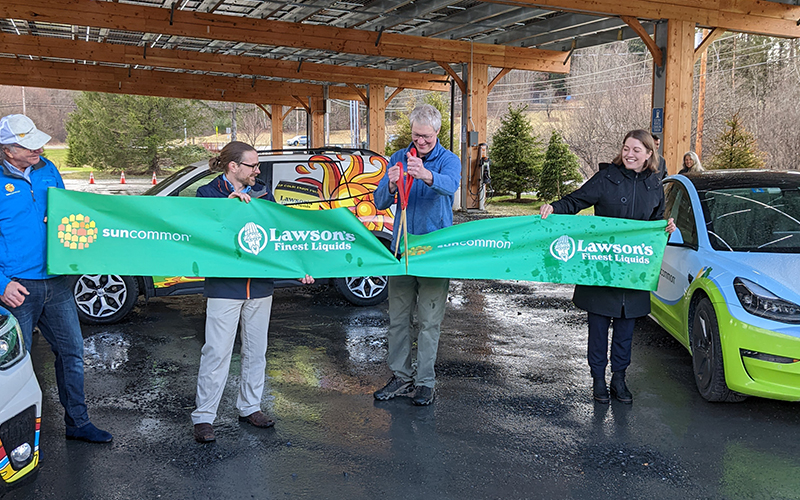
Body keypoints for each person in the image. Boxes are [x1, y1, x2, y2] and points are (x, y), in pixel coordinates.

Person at [540, 130, 676, 404]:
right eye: (626, 148)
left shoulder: (654, 184)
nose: (629, 154)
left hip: (633, 271)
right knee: (599, 328)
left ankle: (619, 379)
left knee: (626, 331)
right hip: (601, 268)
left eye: (636, 150)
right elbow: (576, 200)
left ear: (649, 154)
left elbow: (656, 221)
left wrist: (667, 228)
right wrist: (554, 208)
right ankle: (598, 379)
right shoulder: (607, 178)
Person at [191, 141, 314, 443]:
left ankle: (250, 407)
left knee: (256, 352)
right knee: (216, 353)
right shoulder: (207, 194)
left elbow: (279, 237)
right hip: (225, 288)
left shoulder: (263, 194)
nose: (258, 171)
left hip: (260, 287)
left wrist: (298, 268)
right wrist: (226, 210)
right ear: (233, 166)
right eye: (253, 166)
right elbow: (201, 234)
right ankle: (204, 417)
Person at [0, 114, 112, 443]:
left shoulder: (48, 169)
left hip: (57, 282)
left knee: (72, 353)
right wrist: (2, 284)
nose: (40, 148)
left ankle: (77, 423)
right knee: (14, 364)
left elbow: (66, 215)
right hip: (16, 286)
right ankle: (15, 439)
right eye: (30, 145)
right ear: (8, 150)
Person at [372, 105, 461, 406]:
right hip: (402, 250)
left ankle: (425, 382)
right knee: (398, 319)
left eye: (426, 137)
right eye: (415, 136)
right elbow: (381, 201)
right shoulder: (398, 157)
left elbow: (451, 186)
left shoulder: (449, 160)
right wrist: (390, 183)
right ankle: (400, 376)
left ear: (437, 133)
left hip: (434, 253)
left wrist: (426, 175)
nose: (420, 142)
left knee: (428, 321)